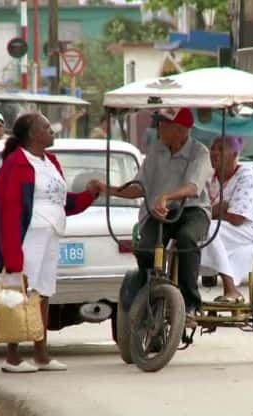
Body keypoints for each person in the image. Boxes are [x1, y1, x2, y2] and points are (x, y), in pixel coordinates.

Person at [0, 112, 100, 373]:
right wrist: (12, 255)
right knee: (17, 293)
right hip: (28, 238)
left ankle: (41, 353)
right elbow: (10, 211)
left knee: (43, 294)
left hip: (50, 235)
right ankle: (12, 356)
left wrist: (88, 195)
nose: (52, 131)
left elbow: (61, 201)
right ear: (33, 134)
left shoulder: (50, 162)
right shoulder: (17, 164)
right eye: (47, 127)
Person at [91, 107, 212, 321]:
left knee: (186, 239)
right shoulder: (156, 151)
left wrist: (167, 196)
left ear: (181, 129)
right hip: (159, 212)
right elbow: (139, 188)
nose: (159, 129)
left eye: (164, 125)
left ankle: (190, 302)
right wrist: (107, 188)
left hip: (193, 210)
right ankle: (149, 293)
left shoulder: (199, 152)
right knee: (145, 247)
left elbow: (193, 188)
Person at [200, 136, 253, 302]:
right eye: (213, 148)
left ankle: (231, 289)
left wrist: (212, 211)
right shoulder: (209, 177)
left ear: (235, 154)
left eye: (221, 149)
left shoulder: (246, 175)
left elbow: (237, 218)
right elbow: (198, 211)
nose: (214, 152)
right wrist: (219, 208)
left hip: (251, 228)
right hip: (223, 226)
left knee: (210, 230)